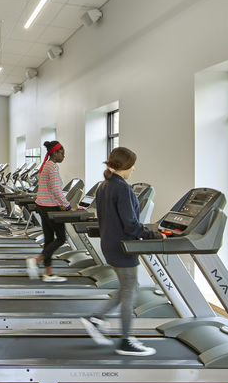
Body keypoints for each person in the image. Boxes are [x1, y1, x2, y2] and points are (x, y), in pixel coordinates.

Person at [79, 147, 163, 356]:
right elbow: (131, 225)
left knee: (128, 287)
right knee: (130, 291)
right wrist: (156, 236)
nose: (134, 168)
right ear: (126, 166)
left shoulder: (104, 186)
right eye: (133, 164)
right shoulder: (123, 188)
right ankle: (126, 341)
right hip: (123, 246)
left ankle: (96, 318)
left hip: (110, 244)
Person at [26, 140, 71, 282]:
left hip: (42, 205)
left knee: (49, 239)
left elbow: (51, 190)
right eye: (62, 154)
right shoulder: (53, 167)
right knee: (61, 238)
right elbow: (56, 190)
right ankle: (36, 260)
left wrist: (61, 203)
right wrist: (67, 206)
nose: (64, 156)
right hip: (50, 207)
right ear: (55, 153)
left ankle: (48, 273)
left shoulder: (46, 165)